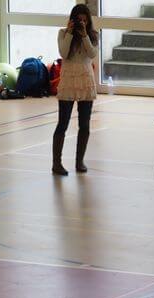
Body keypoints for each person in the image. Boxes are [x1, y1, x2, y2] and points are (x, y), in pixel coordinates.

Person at [52, 4, 98, 176]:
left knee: (84, 125)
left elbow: (92, 54)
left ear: (88, 21)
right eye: (79, 20)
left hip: (85, 80)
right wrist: (70, 33)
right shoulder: (63, 33)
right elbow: (64, 53)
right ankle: (56, 163)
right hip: (69, 80)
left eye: (85, 20)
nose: (82, 23)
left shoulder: (93, 35)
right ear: (72, 20)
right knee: (62, 123)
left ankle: (80, 161)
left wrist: (85, 35)